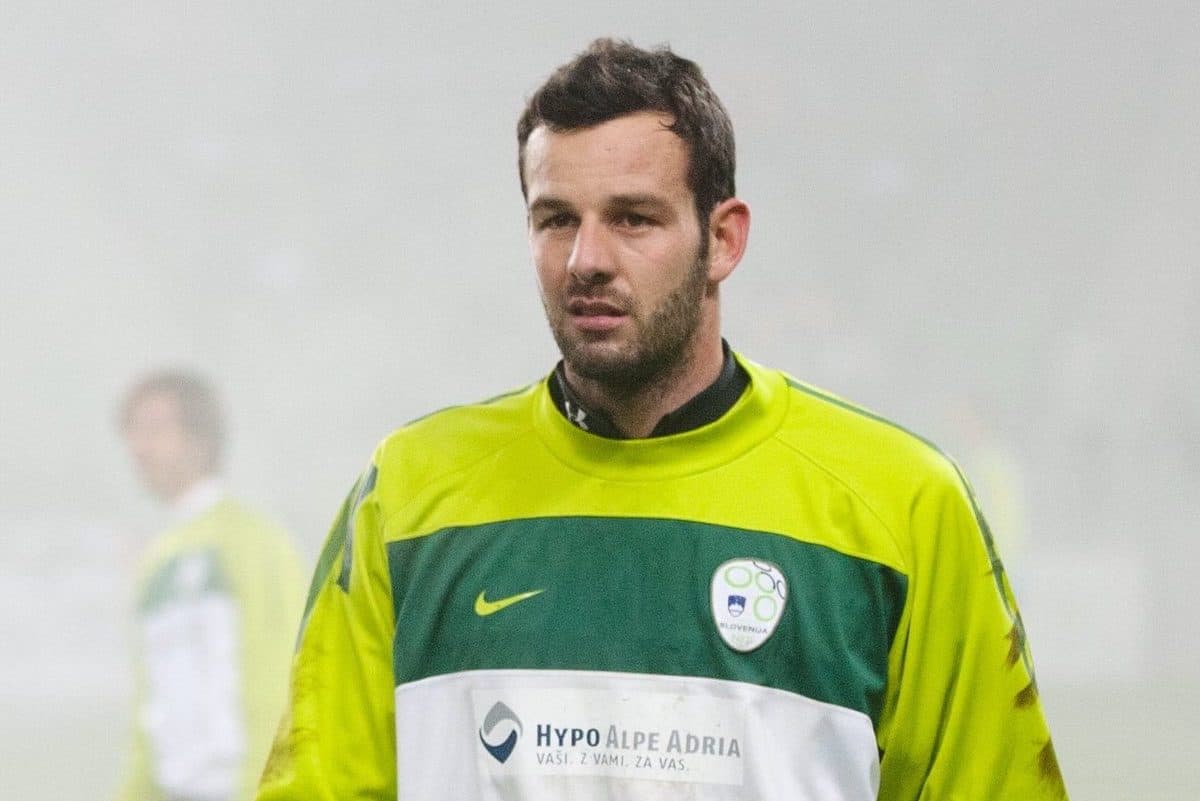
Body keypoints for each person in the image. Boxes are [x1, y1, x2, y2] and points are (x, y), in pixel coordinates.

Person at [256, 39, 1068, 800]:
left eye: (633, 218)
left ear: (723, 238)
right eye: (556, 218)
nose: (587, 259)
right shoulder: (407, 493)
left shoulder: (901, 503)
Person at [116, 369, 306, 801]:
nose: (138, 448)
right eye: (131, 432)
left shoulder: (257, 540)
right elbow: (154, 704)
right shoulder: (156, 559)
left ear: (202, 439)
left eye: (155, 429)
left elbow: (290, 675)